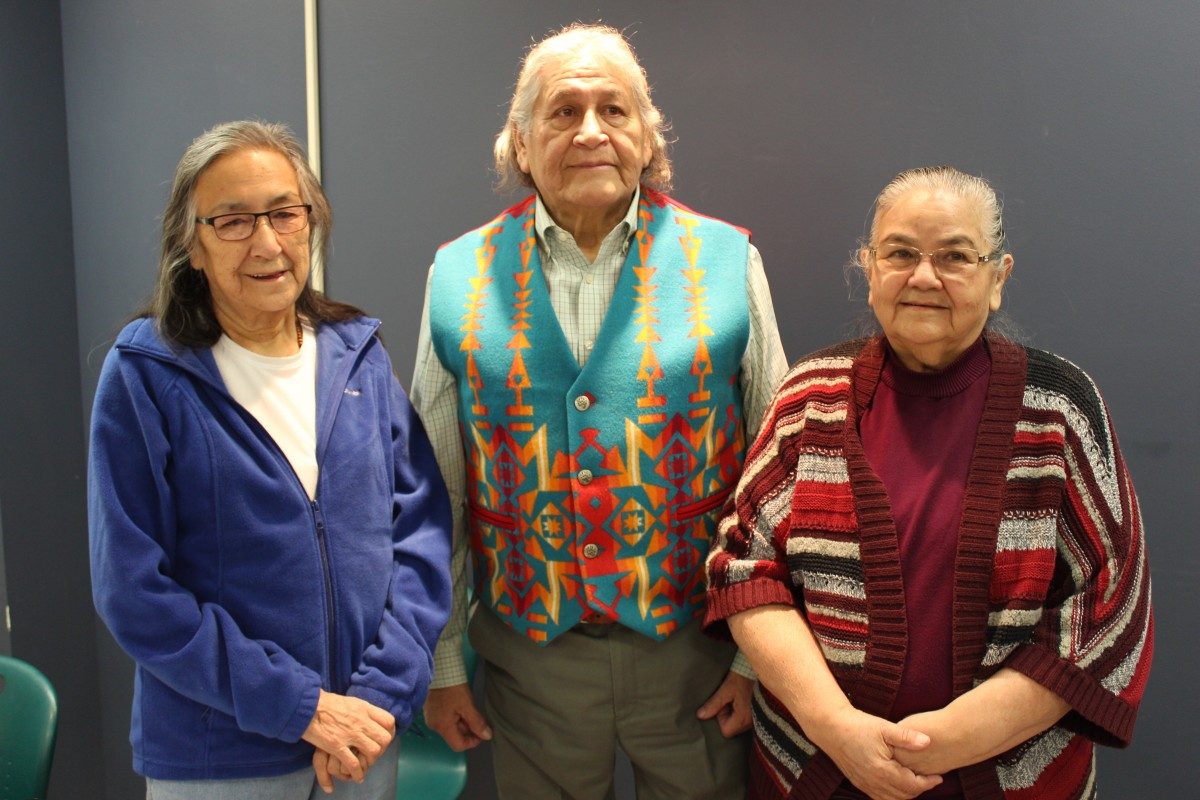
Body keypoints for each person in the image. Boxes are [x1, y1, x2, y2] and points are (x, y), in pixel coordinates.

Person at [412, 22, 788, 799]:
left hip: (696, 653)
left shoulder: (726, 262)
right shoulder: (457, 275)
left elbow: (778, 477)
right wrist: (442, 664)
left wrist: (758, 659)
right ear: (521, 144)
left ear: (648, 137)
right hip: (532, 662)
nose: (591, 131)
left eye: (614, 110)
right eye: (563, 111)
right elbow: (435, 491)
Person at [705, 165, 1153, 800]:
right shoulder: (810, 395)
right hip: (819, 769)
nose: (923, 276)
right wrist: (838, 731)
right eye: (900, 253)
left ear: (998, 279)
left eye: (955, 257)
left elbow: (1108, 606)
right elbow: (745, 569)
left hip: (1012, 779)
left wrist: (940, 745)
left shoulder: (1060, 409)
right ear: (869, 269)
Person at [88, 120, 452, 799]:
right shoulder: (145, 374)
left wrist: (377, 697)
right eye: (232, 221)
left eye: (286, 213)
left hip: (363, 743)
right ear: (192, 245)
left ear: (311, 223)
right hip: (220, 755)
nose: (267, 242)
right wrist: (303, 708)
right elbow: (133, 592)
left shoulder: (358, 355)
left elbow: (421, 538)